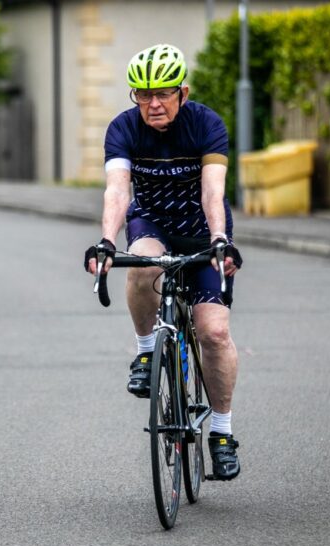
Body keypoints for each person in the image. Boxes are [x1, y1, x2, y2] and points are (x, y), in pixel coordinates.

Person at [84, 44, 243, 481]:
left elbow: (214, 191)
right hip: (151, 221)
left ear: (183, 92)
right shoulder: (123, 128)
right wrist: (104, 241)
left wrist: (219, 241)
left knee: (214, 331)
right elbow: (117, 190)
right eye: (143, 94)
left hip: (201, 224)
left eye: (164, 93)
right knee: (142, 264)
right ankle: (145, 352)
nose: (153, 103)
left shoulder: (206, 124)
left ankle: (222, 434)